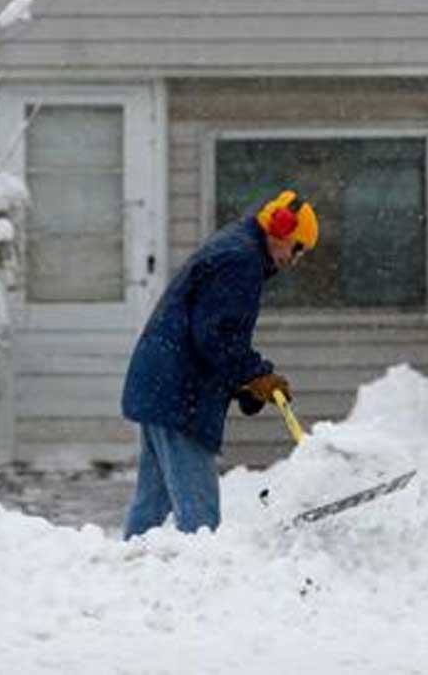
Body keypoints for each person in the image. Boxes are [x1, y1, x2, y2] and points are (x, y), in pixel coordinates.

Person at [121, 189, 319, 539]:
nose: (296, 259)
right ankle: (205, 584)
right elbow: (215, 335)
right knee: (200, 516)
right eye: (298, 248)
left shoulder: (238, 249)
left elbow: (215, 335)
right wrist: (254, 374)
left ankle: (128, 569)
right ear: (280, 229)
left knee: (152, 505)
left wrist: (245, 382)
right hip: (179, 393)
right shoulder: (241, 260)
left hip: (161, 383)